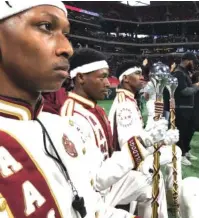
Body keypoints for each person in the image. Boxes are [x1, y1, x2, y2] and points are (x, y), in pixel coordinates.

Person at [0, 2, 138, 218]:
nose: (68, 48)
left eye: (65, 33)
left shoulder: (57, 125)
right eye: (46, 26)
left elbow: (89, 209)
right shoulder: (69, 116)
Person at [45, 48, 172, 218]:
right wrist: (142, 145)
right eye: (102, 77)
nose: (108, 83)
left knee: (152, 184)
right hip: (89, 196)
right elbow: (95, 180)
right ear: (81, 77)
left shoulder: (95, 109)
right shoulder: (72, 116)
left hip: (106, 181)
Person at [108, 61, 181, 209]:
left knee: (175, 152)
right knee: (174, 154)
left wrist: (158, 136)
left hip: (136, 156)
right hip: (130, 162)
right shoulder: (124, 104)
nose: (142, 77)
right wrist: (160, 142)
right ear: (125, 79)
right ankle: (174, 197)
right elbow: (127, 145)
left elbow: (138, 135)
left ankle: (172, 196)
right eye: (137, 73)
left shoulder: (129, 100)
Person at [173, 52, 199, 165]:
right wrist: (196, 86)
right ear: (188, 60)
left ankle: (186, 151)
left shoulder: (184, 73)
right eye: (193, 62)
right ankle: (181, 154)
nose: (193, 65)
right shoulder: (178, 73)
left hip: (188, 108)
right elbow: (184, 91)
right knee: (181, 132)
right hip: (181, 108)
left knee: (190, 129)